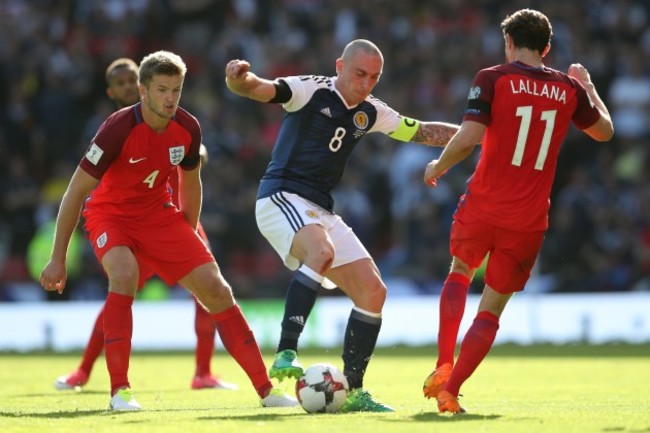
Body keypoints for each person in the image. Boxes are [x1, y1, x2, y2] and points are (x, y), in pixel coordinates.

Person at [40, 50, 297, 411]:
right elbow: (75, 193)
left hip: (160, 217)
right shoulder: (117, 128)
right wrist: (57, 259)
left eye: (176, 89)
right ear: (143, 91)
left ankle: (267, 392)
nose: (170, 98)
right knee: (125, 275)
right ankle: (120, 392)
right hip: (110, 216)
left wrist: (187, 238)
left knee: (217, 289)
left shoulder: (188, 128)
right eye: (162, 89)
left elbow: (191, 184)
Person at [225, 39, 460, 412]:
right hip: (280, 197)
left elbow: (422, 132)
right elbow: (261, 88)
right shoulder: (310, 90)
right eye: (359, 74)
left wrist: (477, 133)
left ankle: (353, 390)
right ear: (340, 66)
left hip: (321, 209)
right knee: (321, 252)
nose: (365, 84)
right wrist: (240, 79)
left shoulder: (371, 111)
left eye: (374, 77)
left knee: (373, 292)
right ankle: (287, 349)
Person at [421, 9, 614, 414]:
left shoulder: (493, 77)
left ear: (508, 42)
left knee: (459, 270)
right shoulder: (568, 90)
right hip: (527, 220)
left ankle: (443, 362)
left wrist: (438, 166)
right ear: (547, 47)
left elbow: (469, 137)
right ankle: (450, 392)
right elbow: (604, 132)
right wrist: (589, 86)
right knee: (491, 308)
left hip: (484, 204)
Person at [54, 58, 238, 392]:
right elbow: (84, 185)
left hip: (170, 214)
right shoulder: (114, 127)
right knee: (121, 290)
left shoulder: (173, 116)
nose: (126, 86)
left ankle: (203, 371)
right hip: (127, 221)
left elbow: (192, 157)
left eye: (130, 79)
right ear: (114, 91)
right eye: (120, 82)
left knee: (209, 287)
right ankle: (83, 370)